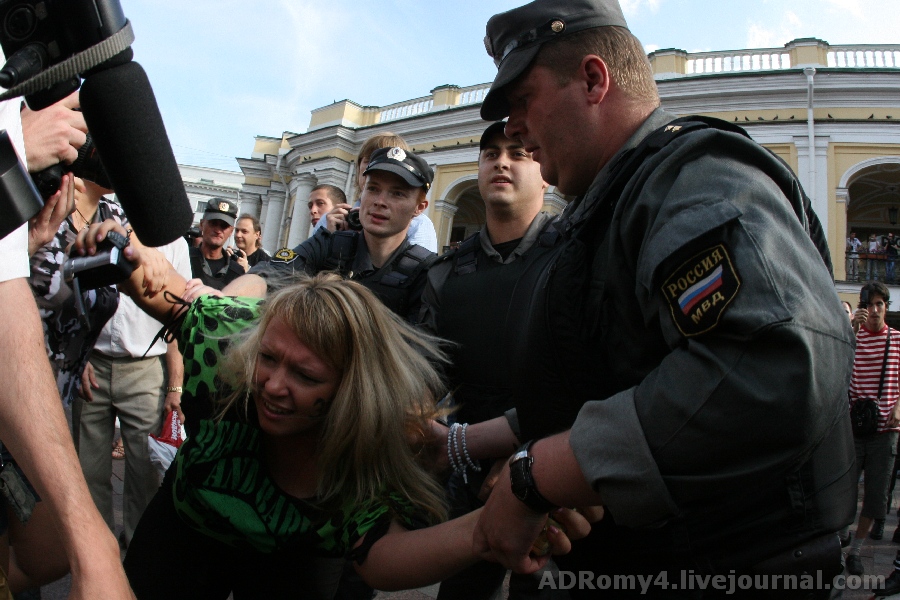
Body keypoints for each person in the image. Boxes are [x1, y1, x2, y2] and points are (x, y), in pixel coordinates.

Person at [461, 1, 856, 596]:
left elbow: (769, 367)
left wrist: (536, 476)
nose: (512, 128)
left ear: (593, 80)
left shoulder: (694, 178)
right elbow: (611, 376)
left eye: (522, 100)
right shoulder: (616, 201)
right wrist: (466, 442)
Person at [70, 216, 588, 599]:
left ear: (351, 390)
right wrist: (120, 246)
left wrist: (484, 533)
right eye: (268, 359)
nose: (273, 385)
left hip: (295, 559)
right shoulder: (225, 344)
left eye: (306, 376)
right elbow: (159, 287)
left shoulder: (371, 440)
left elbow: (379, 559)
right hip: (186, 527)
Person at [0, 83, 134, 596]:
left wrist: (82, 354)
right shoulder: (32, 191)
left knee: (47, 550)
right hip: (18, 382)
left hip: (50, 389)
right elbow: (17, 298)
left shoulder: (112, 221)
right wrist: (14, 142)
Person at [419, 120, 559, 599]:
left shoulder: (575, 258)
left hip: (556, 473)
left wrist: (530, 456)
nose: (501, 162)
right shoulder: (445, 273)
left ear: (545, 173)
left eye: (518, 153)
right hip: (467, 474)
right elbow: (428, 374)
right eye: (491, 153)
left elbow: (592, 374)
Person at [74, 237, 192, 550]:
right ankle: (99, 552)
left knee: (146, 473)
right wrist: (78, 352)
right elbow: (70, 291)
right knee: (87, 470)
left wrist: (175, 387)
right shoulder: (97, 228)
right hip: (91, 365)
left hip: (145, 369)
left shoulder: (171, 241)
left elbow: (179, 316)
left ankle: (138, 554)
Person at [846, 282, 900, 576]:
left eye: (880, 304)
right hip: (852, 428)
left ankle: (855, 551)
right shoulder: (851, 337)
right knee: (843, 488)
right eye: (870, 304)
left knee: (876, 495)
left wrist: (899, 407)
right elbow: (836, 365)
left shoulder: (897, 339)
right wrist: (851, 330)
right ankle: (838, 538)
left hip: (884, 432)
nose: (875, 310)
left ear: (886, 307)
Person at [314, 132, 439, 252]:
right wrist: (327, 240)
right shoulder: (330, 219)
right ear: (359, 166)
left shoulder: (419, 224)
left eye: (397, 193)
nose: (376, 165)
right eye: (369, 159)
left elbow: (418, 265)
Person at [189, 198, 244, 290]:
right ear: (202, 224)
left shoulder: (237, 272)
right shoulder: (185, 258)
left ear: (231, 231)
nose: (218, 231)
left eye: (224, 226)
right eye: (213, 223)